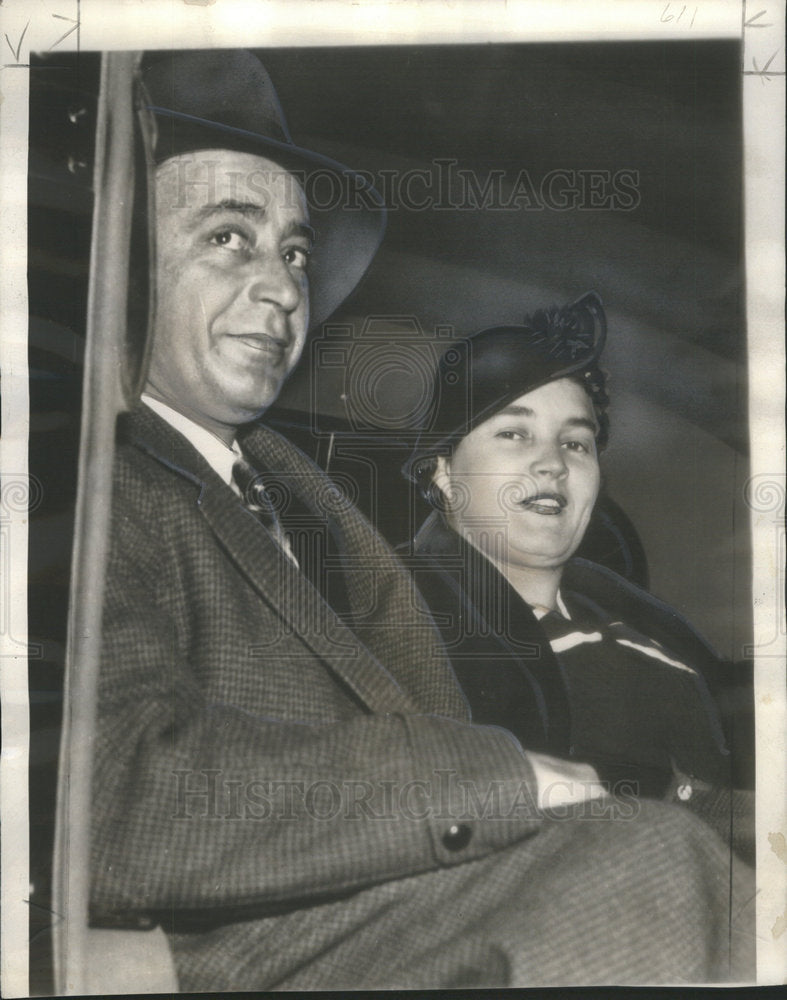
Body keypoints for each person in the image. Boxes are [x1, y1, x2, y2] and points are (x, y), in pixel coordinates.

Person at [90, 50, 754, 991]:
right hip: (252, 930)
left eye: (292, 251)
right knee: (648, 872)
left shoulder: (303, 503)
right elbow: (113, 792)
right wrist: (504, 782)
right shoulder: (91, 491)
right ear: (114, 263)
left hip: (403, 875)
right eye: (228, 237)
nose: (283, 287)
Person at [403, 292, 754, 854]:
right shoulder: (400, 619)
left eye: (576, 443)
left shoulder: (635, 619)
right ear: (443, 472)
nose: (553, 463)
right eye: (514, 433)